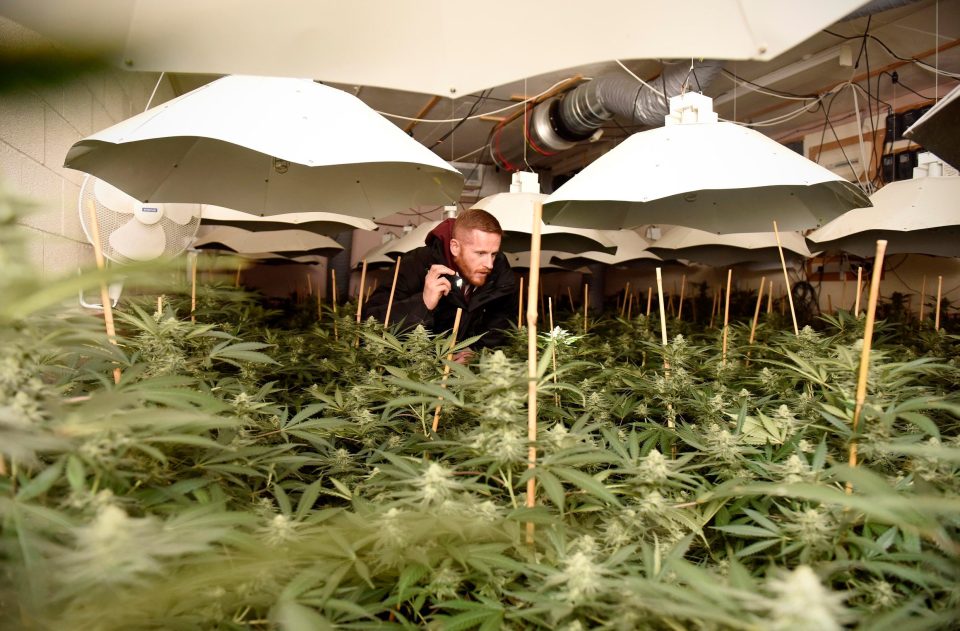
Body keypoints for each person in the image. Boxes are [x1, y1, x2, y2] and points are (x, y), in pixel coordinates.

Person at [365, 208, 516, 362]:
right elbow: (371, 323)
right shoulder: (415, 264)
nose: (489, 264)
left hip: (469, 375)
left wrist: (476, 349)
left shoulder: (499, 268)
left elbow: (502, 319)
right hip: (416, 370)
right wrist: (423, 303)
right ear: (455, 247)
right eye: (480, 253)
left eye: (493, 253)